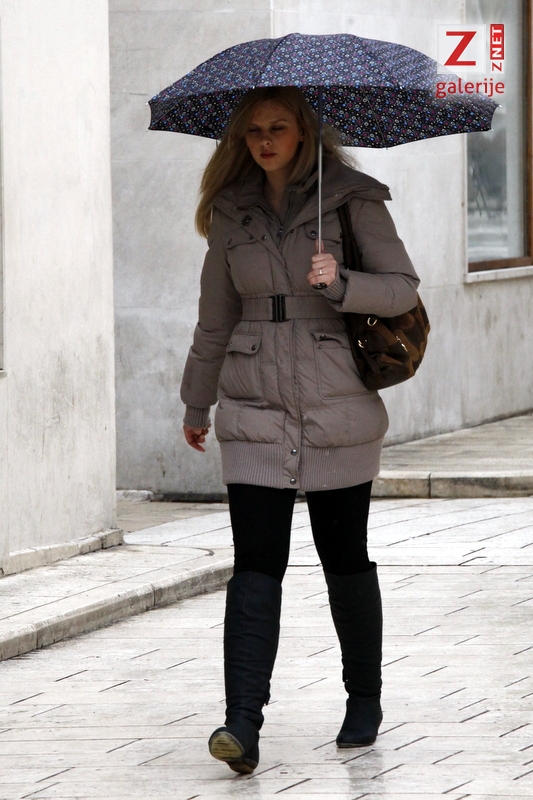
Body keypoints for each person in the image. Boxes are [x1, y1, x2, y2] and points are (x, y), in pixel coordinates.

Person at [181, 86, 419, 775]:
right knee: (256, 563)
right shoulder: (231, 211)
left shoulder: (351, 200)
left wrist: (341, 282)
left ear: (304, 131)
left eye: (277, 128)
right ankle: (241, 722)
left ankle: (363, 699)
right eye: (253, 130)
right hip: (253, 404)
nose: (264, 140)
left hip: (335, 401)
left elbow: (402, 287)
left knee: (344, 558)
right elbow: (214, 319)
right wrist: (196, 404)